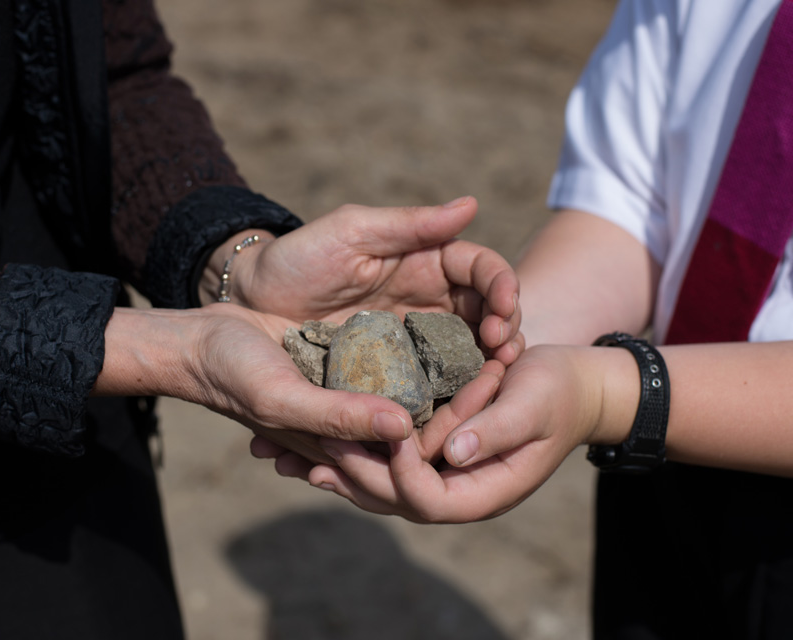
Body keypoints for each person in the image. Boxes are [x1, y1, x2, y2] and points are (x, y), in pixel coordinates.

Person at [0, 1, 523, 638]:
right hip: (72, 355)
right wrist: (157, 349)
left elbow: (108, 78)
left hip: (70, 412)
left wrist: (234, 262)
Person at [264, 1, 793, 638]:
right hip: (660, 445)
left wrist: (607, 391)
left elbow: (604, 389)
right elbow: (630, 202)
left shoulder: (611, 391)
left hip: (647, 407)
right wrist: (510, 344)